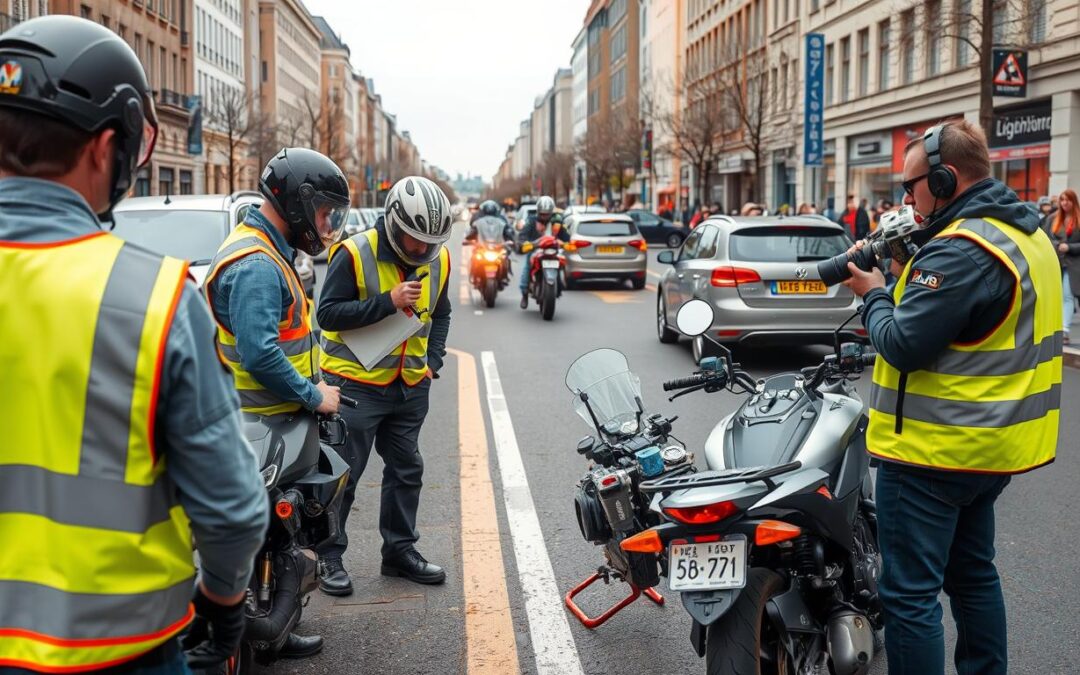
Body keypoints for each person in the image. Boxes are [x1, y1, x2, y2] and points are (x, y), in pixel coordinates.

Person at [0, 16, 268, 672]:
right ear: (105, 149)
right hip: (117, 646)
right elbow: (232, 508)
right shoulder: (153, 296)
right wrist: (224, 598)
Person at [842, 120, 1062, 675]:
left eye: (912, 185)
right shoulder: (1025, 235)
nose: (907, 199)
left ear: (944, 179)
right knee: (972, 575)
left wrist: (873, 295)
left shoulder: (961, 250)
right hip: (990, 447)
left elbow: (901, 343)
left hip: (930, 453)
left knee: (909, 596)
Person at [201, 147, 349, 658]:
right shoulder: (259, 264)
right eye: (326, 212)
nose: (327, 223)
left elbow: (288, 340)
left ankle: (274, 630)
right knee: (267, 531)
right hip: (257, 422)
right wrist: (316, 395)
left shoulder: (268, 252)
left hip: (270, 420)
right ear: (299, 203)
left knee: (277, 531)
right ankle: (258, 631)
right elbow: (261, 355)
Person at [317, 176, 454, 592]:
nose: (421, 251)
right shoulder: (353, 253)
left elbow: (441, 313)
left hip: (410, 387)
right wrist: (387, 302)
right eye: (413, 241)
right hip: (354, 387)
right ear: (393, 224)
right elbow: (328, 314)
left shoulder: (438, 259)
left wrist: (433, 360)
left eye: (428, 243)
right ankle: (328, 557)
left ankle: (399, 552)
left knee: (407, 470)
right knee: (343, 476)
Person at [1043, 188, 1080, 344]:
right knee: (1057, 296)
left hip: (1074, 265)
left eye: (1068, 200)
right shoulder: (1052, 218)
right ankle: (1057, 329)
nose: (1065, 203)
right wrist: (1057, 244)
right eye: (1062, 200)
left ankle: (1063, 330)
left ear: (1074, 201)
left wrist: (1070, 247)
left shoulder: (1078, 220)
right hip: (1055, 262)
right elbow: (1044, 238)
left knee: (1068, 296)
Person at [519, 195, 568, 308]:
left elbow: (566, 235)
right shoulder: (531, 220)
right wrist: (524, 242)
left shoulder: (558, 221)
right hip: (536, 249)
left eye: (547, 214)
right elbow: (523, 234)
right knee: (527, 266)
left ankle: (559, 287)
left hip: (553, 250)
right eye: (542, 214)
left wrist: (567, 243)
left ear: (551, 212)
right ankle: (524, 293)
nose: (544, 216)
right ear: (538, 212)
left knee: (561, 264)